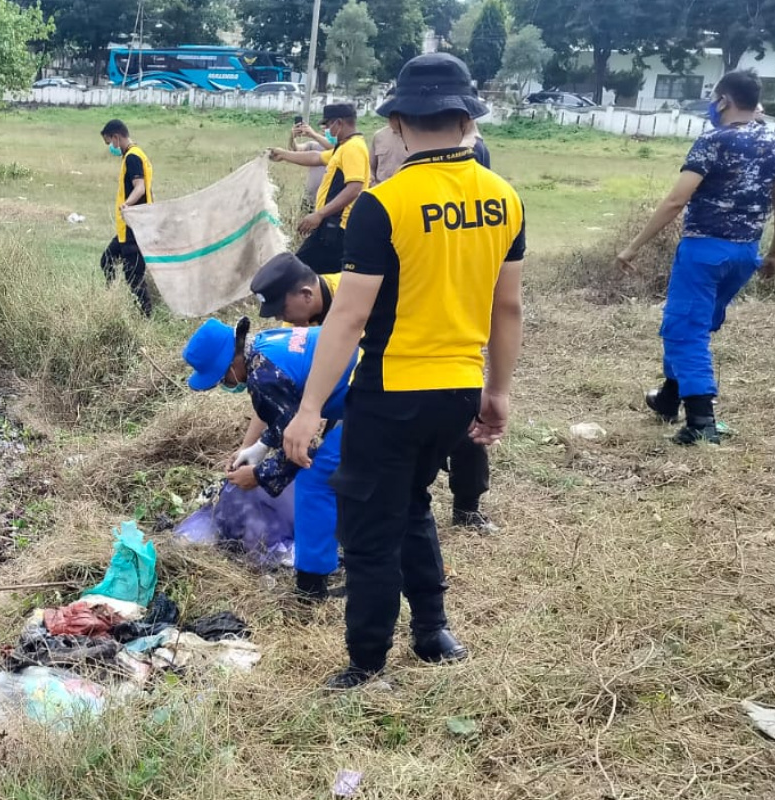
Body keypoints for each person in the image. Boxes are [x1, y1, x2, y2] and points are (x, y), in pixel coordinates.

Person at [281, 53, 526, 690]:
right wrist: (496, 392)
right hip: (458, 390)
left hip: (392, 392)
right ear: (469, 120)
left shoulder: (383, 205)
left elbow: (348, 318)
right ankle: (433, 632)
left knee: (368, 526)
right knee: (413, 504)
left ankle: (366, 661)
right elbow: (508, 307)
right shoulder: (505, 200)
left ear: (396, 122)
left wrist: (309, 411)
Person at [251, 251, 499, 533]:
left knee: (464, 426)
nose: (283, 318)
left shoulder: (362, 289)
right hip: (345, 392)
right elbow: (278, 398)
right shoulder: (295, 324)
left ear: (306, 295)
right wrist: (254, 447)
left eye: (282, 310)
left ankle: (467, 507)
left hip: (409, 364)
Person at [617, 71, 775, 445]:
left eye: (715, 98)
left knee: (685, 329)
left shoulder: (714, 140)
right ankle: (668, 398)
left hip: (704, 251)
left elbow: (676, 200)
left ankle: (701, 421)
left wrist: (634, 246)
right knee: (694, 323)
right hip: (745, 253)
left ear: (725, 100)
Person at [183, 317, 356, 602]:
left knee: (317, 481)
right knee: (345, 477)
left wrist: (260, 475)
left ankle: (312, 585)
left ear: (231, 365)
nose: (226, 384)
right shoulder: (266, 345)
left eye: (222, 379)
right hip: (366, 379)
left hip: (367, 396)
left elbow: (304, 447)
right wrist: (258, 448)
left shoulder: (263, 375)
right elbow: (287, 414)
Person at [270, 104, 371, 275]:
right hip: (331, 225)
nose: (326, 129)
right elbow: (316, 157)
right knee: (317, 276)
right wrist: (284, 154)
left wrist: (320, 214)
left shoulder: (353, 148)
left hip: (337, 227)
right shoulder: (344, 147)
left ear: (339, 123)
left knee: (296, 274)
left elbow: (354, 188)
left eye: (328, 124)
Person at [99, 119, 154, 316]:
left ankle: (146, 315)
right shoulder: (136, 154)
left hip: (134, 228)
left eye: (110, 143)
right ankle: (111, 300)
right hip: (128, 227)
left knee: (133, 276)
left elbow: (140, 188)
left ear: (116, 137)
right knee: (107, 259)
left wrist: (127, 204)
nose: (111, 148)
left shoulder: (132, 157)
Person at [288, 121, 330, 214]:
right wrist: (292, 137)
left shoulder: (341, 147)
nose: (324, 128)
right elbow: (295, 150)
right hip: (310, 196)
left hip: (327, 199)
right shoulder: (313, 145)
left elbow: (334, 148)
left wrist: (313, 135)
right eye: (323, 126)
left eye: (327, 126)